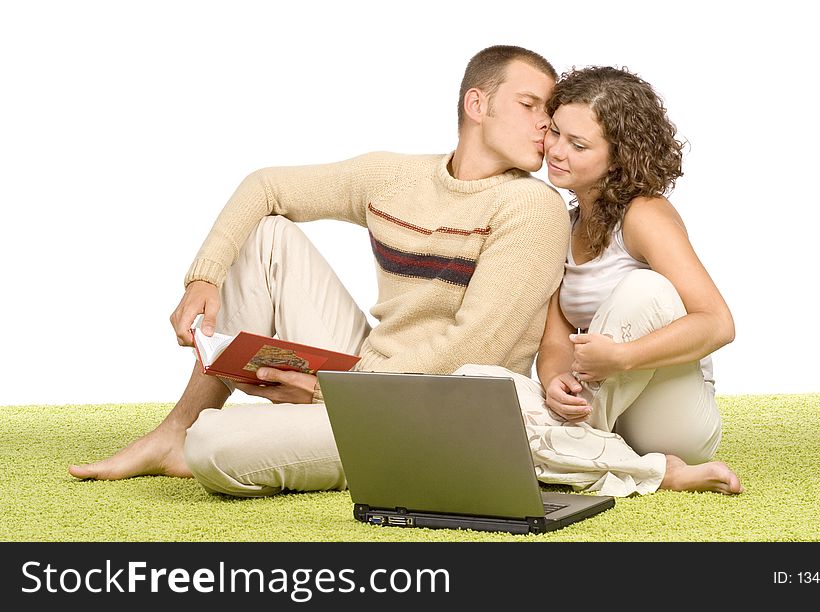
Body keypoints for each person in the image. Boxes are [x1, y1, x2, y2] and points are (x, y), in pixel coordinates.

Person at [68, 45, 573, 495]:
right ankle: (174, 431)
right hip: (372, 374)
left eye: (549, 117)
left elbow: (470, 355)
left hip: (441, 417)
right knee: (266, 235)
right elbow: (267, 185)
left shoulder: (532, 208)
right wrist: (204, 277)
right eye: (530, 107)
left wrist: (322, 389)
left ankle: (199, 437)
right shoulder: (398, 177)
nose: (543, 128)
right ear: (477, 104)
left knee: (213, 446)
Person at [457, 66, 741, 496]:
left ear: (619, 157)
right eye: (554, 132)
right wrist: (554, 383)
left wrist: (623, 357)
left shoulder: (645, 215)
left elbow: (718, 323)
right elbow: (555, 342)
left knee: (646, 290)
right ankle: (645, 468)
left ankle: (575, 447)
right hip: (601, 410)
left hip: (669, 418)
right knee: (473, 381)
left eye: (579, 144)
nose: (555, 150)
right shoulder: (560, 221)